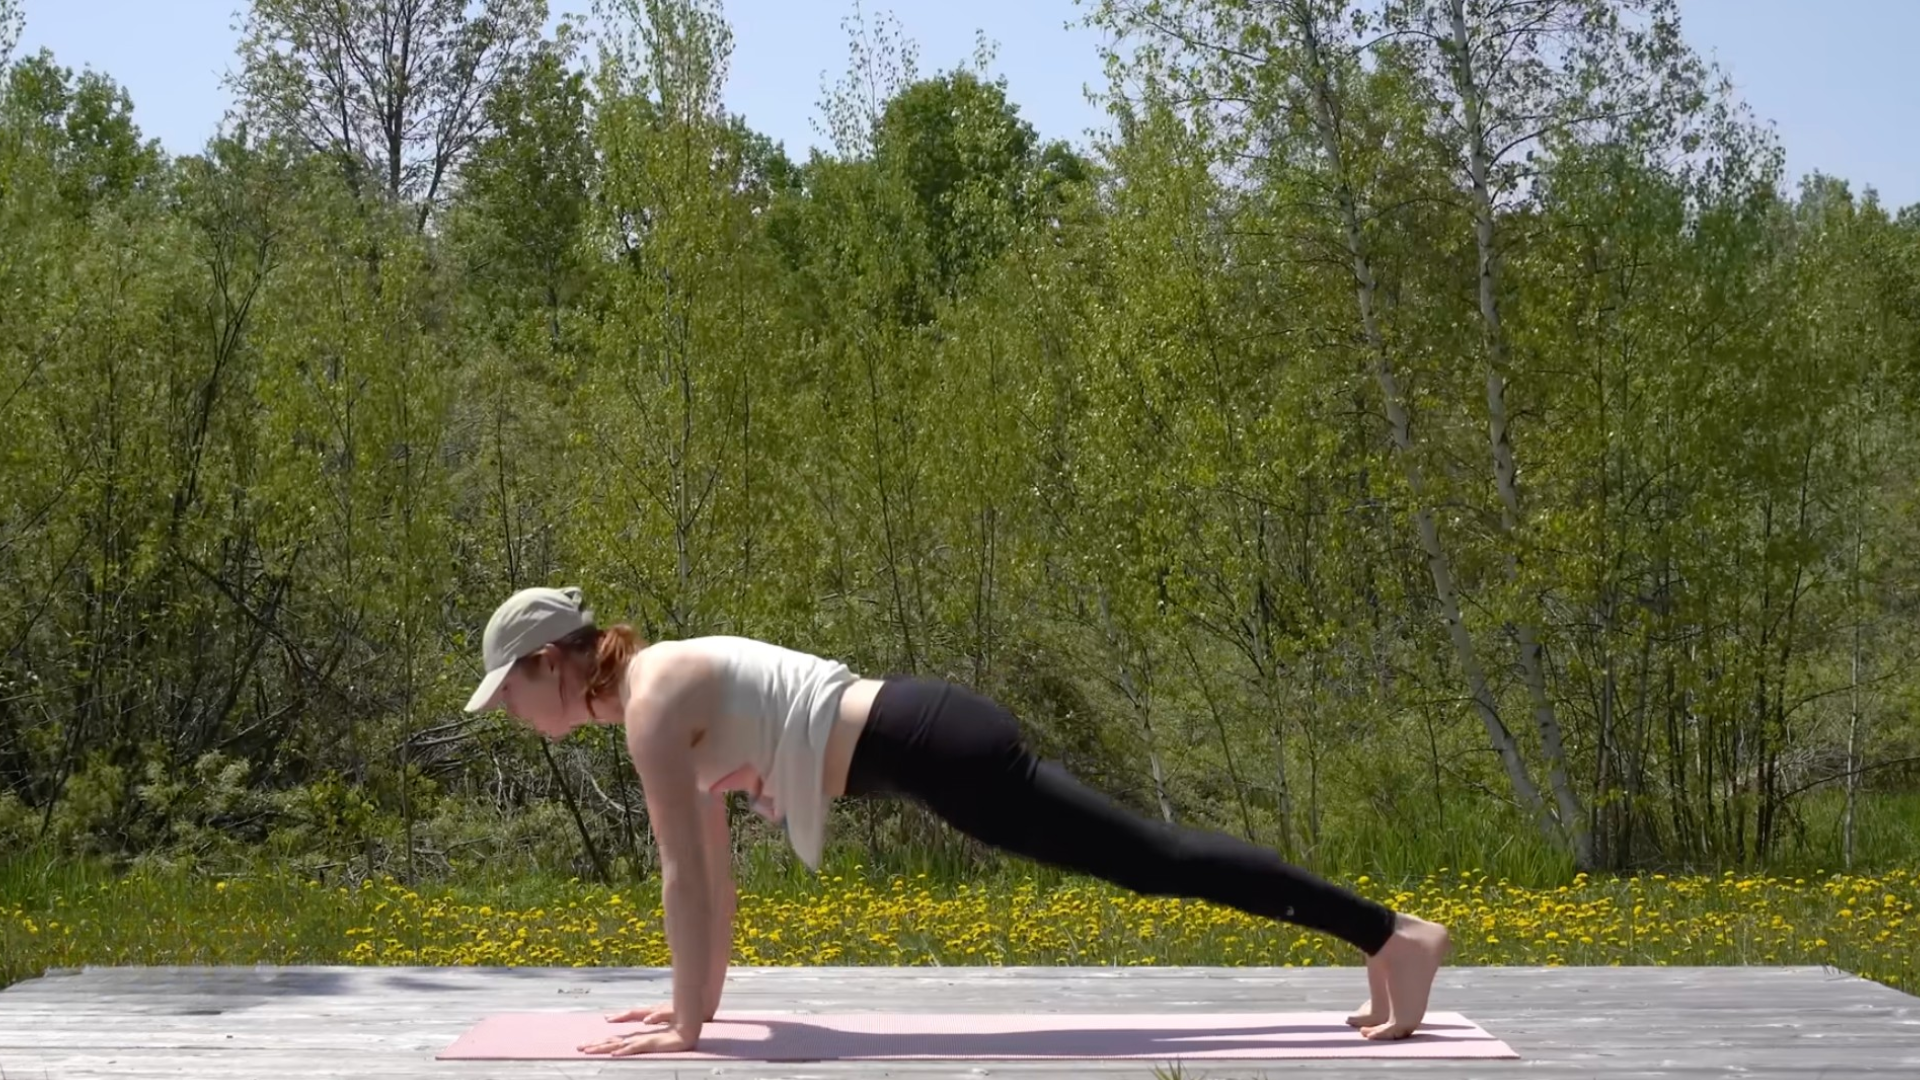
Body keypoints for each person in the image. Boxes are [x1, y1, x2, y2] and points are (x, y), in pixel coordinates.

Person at [463, 585, 1451, 1058]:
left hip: (939, 745)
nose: (511, 714)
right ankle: (1383, 939)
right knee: (1147, 859)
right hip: (933, 742)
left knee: (1150, 860)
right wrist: (698, 1012)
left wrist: (682, 1029)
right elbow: (713, 873)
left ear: (552, 663)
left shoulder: (648, 703)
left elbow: (681, 875)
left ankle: (1391, 935)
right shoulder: (659, 698)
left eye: (509, 694)